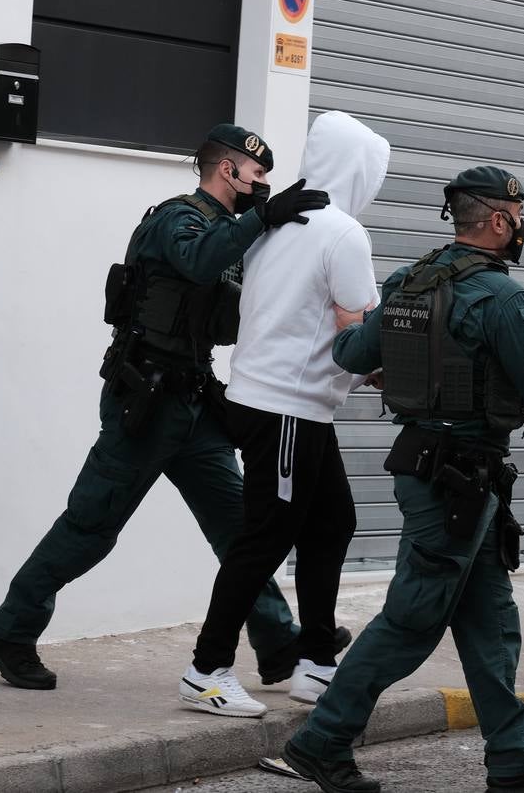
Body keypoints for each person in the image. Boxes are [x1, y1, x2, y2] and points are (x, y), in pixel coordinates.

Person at [0, 124, 350, 693]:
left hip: (195, 404)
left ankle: (278, 643)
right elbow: (198, 263)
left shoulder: (233, 231)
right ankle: (11, 631)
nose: (263, 188)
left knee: (242, 530)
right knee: (91, 525)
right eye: (258, 176)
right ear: (229, 170)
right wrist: (261, 221)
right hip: (144, 404)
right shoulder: (178, 220)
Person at [282, 166, 524, 793]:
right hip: (456, 480)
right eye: (519, 214)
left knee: (490, 618)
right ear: (502, 220)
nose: (521, 225)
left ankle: (515, 754)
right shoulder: (506, 300)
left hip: (441, 474)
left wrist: (398, 356)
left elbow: (350, 355)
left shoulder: (410, 281)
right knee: (412, 618)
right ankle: (322, 740)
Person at [180, 111, 389, 718]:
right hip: (288, 412)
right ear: (359, 172)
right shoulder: (343, 232)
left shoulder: (276, 221)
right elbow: (358, 332)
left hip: (270, 402)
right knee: (262, 541)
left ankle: (316, 663)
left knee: (332, 524)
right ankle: (205, 669)